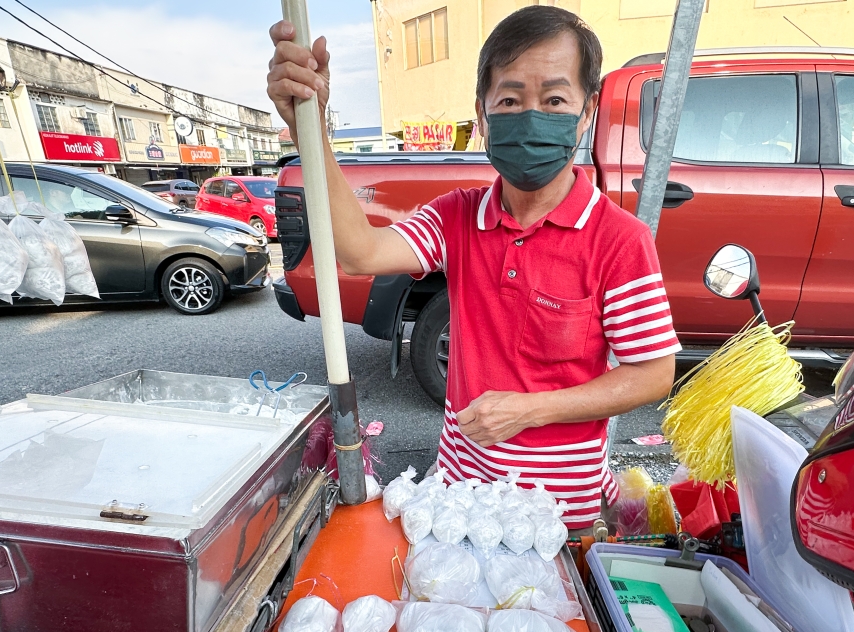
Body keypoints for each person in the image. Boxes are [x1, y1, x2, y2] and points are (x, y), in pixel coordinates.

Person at [267, 5, 680, 530]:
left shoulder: (620, 239)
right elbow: (361, 252)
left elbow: (653, 374)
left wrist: (531, 409)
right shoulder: (456, 216)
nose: (531, 116)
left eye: (554, 99)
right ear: (482, 115)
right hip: (460, 503)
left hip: (560, 518)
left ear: (586, 111)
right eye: (510, 99)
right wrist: (311, 126)